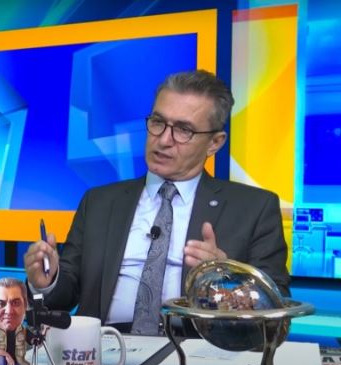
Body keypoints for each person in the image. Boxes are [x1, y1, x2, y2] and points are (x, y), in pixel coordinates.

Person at [24, 69, 290, 334]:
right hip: (105, 345)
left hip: (195, 348)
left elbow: (276, 313)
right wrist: (46, 281)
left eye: (184, 130)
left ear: (214, 143)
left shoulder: (254, 209)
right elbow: (64, 295)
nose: (163, 140)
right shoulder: (99, 202)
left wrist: (226, 281)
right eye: (158, 122)